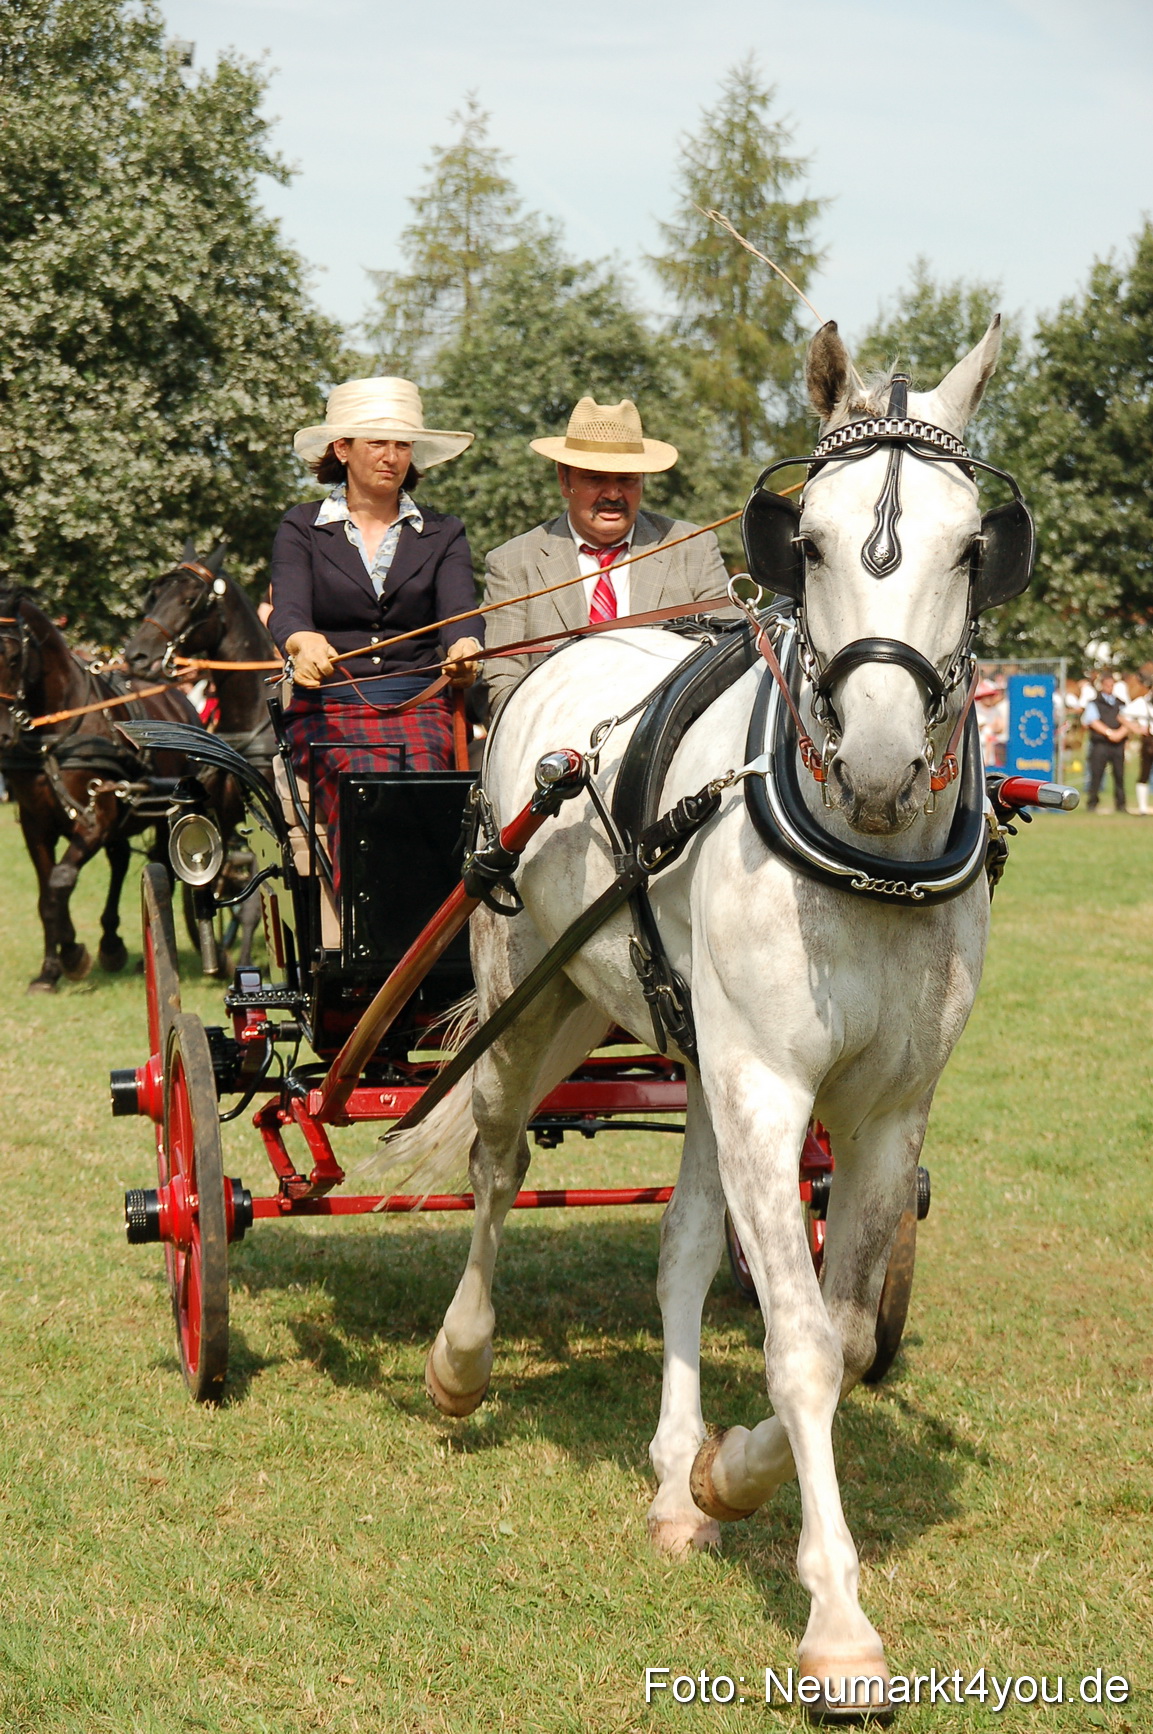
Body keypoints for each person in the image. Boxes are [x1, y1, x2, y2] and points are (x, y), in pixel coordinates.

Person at [269, 377, 483, 838]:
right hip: (327, 711)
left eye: (403, 445)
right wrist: (302, 642)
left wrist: (466, 646)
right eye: (378, 443)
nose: (392, 456)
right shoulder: (300, 527)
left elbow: (460, 612)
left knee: (426, 795)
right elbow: (288, 609)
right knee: (365, 796)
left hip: (421, 707)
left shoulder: (445, 532)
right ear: (342, 449)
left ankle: (433, 910)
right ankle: (366, 910)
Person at [482, 396, 729, 717]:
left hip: (668, 740)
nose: (613, 494)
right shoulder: (513, 562)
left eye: (627, 479)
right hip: (555, 743)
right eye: (595, 478)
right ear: (564, 479)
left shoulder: (693, 549)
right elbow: (502, 676)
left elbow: (725, 659)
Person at [1083, 671, 1128, 812]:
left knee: (1119, 775)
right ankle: (1092, 803)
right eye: (1107, 684)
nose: (1110, 687)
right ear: (1102, 685)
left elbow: (1128, 721)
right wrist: (1109, 733)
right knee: (1096, 774)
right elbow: (1092, 721)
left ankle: (1121, 805)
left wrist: (1120, 733)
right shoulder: (1094, 703)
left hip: (1117, 744)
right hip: (1100, 743)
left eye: (1112, 685)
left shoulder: (1120, 703)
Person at [1123, 674, 1153, 814]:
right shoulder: (1141, 703)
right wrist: (1136, 728)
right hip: (1148, 741)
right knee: (1144, 773)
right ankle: (1142, 807)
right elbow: (1123, 716)